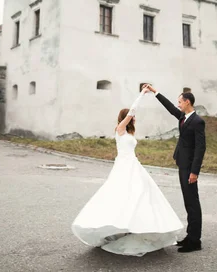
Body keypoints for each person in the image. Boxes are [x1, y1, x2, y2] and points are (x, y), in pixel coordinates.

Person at [71, 88, 184, 257]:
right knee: (121, 195)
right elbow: (132, 112)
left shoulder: (129, 132)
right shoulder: (120, 129)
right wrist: (141, 95)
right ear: (124, 118)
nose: (133, 118)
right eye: (130, 117)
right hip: (123, 166)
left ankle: (136, 226)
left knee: (140, 195)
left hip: (133, 164)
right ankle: (119, 226)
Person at [144, 84, 206, 253]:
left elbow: (201, 148)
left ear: (187, 102)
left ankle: (195, 241)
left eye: (180, 102)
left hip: (190, 168)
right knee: (188, 201)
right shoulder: (183, 117)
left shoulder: (198, 121)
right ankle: (190, 236)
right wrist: (155, 92)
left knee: (193, 202)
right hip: (182, 164)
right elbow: (170, 108)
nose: (178, 104)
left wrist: (195, 172)